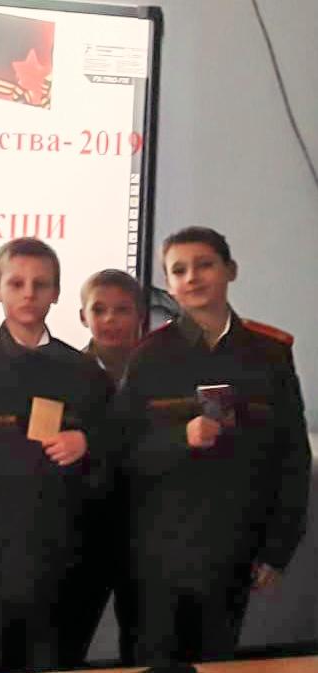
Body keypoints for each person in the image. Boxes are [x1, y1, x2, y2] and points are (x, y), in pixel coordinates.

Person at [117, 227, 310, 665]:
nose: (192, 277)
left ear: (230, 270)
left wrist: (277, 550)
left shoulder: (270, 354)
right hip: (157, 555)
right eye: (179, 270)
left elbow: (292, 459)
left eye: (204, 265)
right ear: (169, 284)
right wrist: (178, 439)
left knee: (216, 662)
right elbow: (122, 452)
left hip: (234, 550)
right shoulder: (148, 356)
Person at [0, 237, 115, 673]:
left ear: (56, 292)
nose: (29, 294)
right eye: (16, 283)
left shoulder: (84, 372)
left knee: (54, 659)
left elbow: (119, 448)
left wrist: (87, 443)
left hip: (64, 548)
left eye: (41, 284)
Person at [59, 269, 145, 667]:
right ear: (83, 316)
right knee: (66, 646)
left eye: (122, 310)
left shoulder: (159, 372)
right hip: (80, 536)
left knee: (143, 647)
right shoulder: (63, 373)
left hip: (146, 534)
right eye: (99, 310)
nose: (110, 319)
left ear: (140, 315)